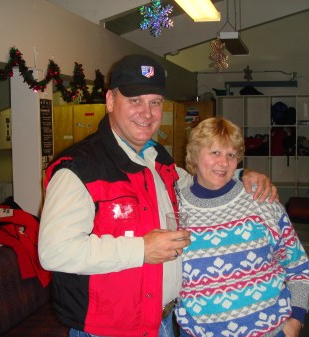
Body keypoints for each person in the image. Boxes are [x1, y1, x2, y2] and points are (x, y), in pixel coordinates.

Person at [38, 54, 278, 337]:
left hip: (162, 322)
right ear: (111, 101)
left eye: (155, 102)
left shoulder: (155, 158)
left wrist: (242, 175)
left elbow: (197, 181)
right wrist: (141, 250)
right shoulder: (78, 169)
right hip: (109, 330)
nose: (147, 112)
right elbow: (55, 252)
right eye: (135, 100)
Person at [175, 117, 309, 337]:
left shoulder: (260, 199)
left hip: (270, 331)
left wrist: (296, 320)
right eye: (215, 153)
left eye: (231, 155)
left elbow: (299, 266)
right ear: (193, 154)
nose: (224, 162)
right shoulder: (174, 207)